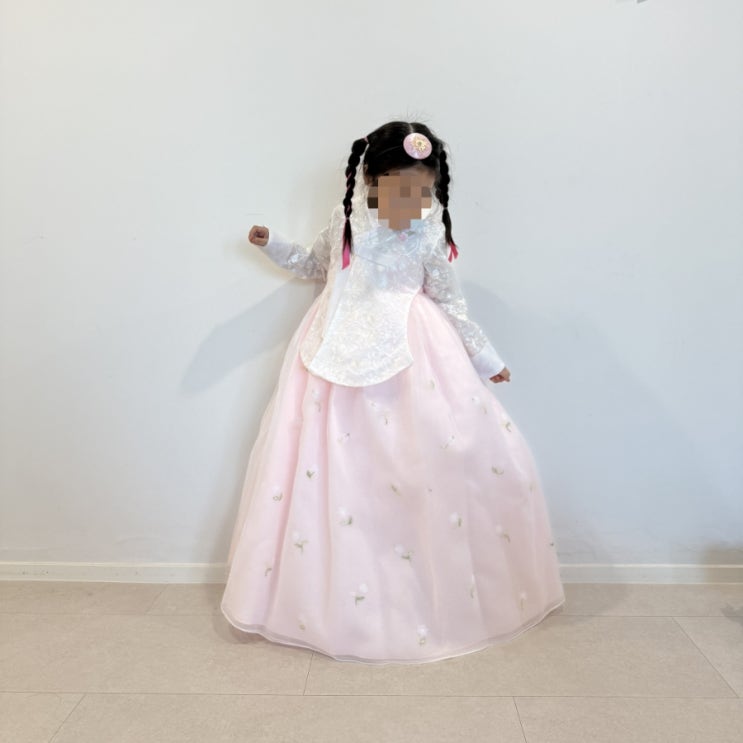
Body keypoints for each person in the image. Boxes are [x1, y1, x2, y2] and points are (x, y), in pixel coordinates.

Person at [220, 121, 565, 664]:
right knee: (334, 471)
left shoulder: (428, 233)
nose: (410, 202)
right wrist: (274, 246)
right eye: (397, 189)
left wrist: (485, 358)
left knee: (418, 466)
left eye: (421, 192)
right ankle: (341, 601)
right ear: (370, 181)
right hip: (331, 355)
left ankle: (420, 593)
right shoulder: (346, 221)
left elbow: (451, 302)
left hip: (413, 357)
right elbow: (314, 265)